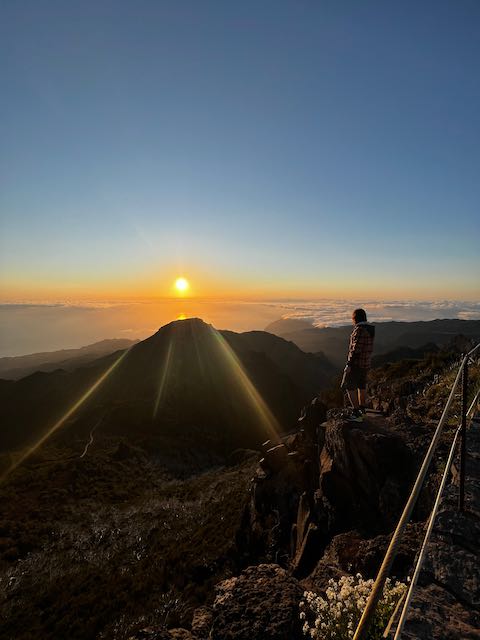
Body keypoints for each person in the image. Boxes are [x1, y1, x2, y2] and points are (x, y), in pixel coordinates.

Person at [341, 308, 375, 422]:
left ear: (355, 318)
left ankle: (357, 414)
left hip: (356, 364)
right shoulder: (370, 329)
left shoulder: (359, 330)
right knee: (361, 386)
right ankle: (362, 410)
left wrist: (349, 364)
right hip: (366, 363)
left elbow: (356, 349)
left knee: (349, 387)